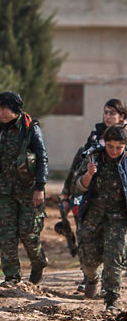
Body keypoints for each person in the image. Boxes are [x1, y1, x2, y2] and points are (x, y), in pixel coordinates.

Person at [60, 98, 127, 292]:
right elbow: (77, 169)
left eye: (112, 113)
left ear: (122, 116)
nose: (108, 116)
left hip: (118, 212)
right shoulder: (95, 141)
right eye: (106, 112)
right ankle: (90, 278)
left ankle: (111, 292)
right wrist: (67, 195)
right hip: (92, 206)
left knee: (114, 253)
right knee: (88, 250)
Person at [0, 92, 49, 286]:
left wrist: (40, 187)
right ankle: (12, 276)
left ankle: (38, 262)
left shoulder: (30, 128)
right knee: (6, 234)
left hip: (28, 190)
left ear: (15, 109)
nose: (1, 113)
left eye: (5, 109)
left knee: (28, 233)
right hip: (6, 191)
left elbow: (41, 157)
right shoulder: (0, 130)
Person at [74, 125, 127, 311]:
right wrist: (89, 174)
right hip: (92, 217)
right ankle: (92, 278)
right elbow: (78, 187)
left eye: (119, 147)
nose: (114, 151)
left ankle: (111, 299)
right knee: (89, 260)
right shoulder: (93, 158)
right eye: (110, 146)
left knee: (114, 258)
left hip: (118, 219)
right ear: (105, 144)